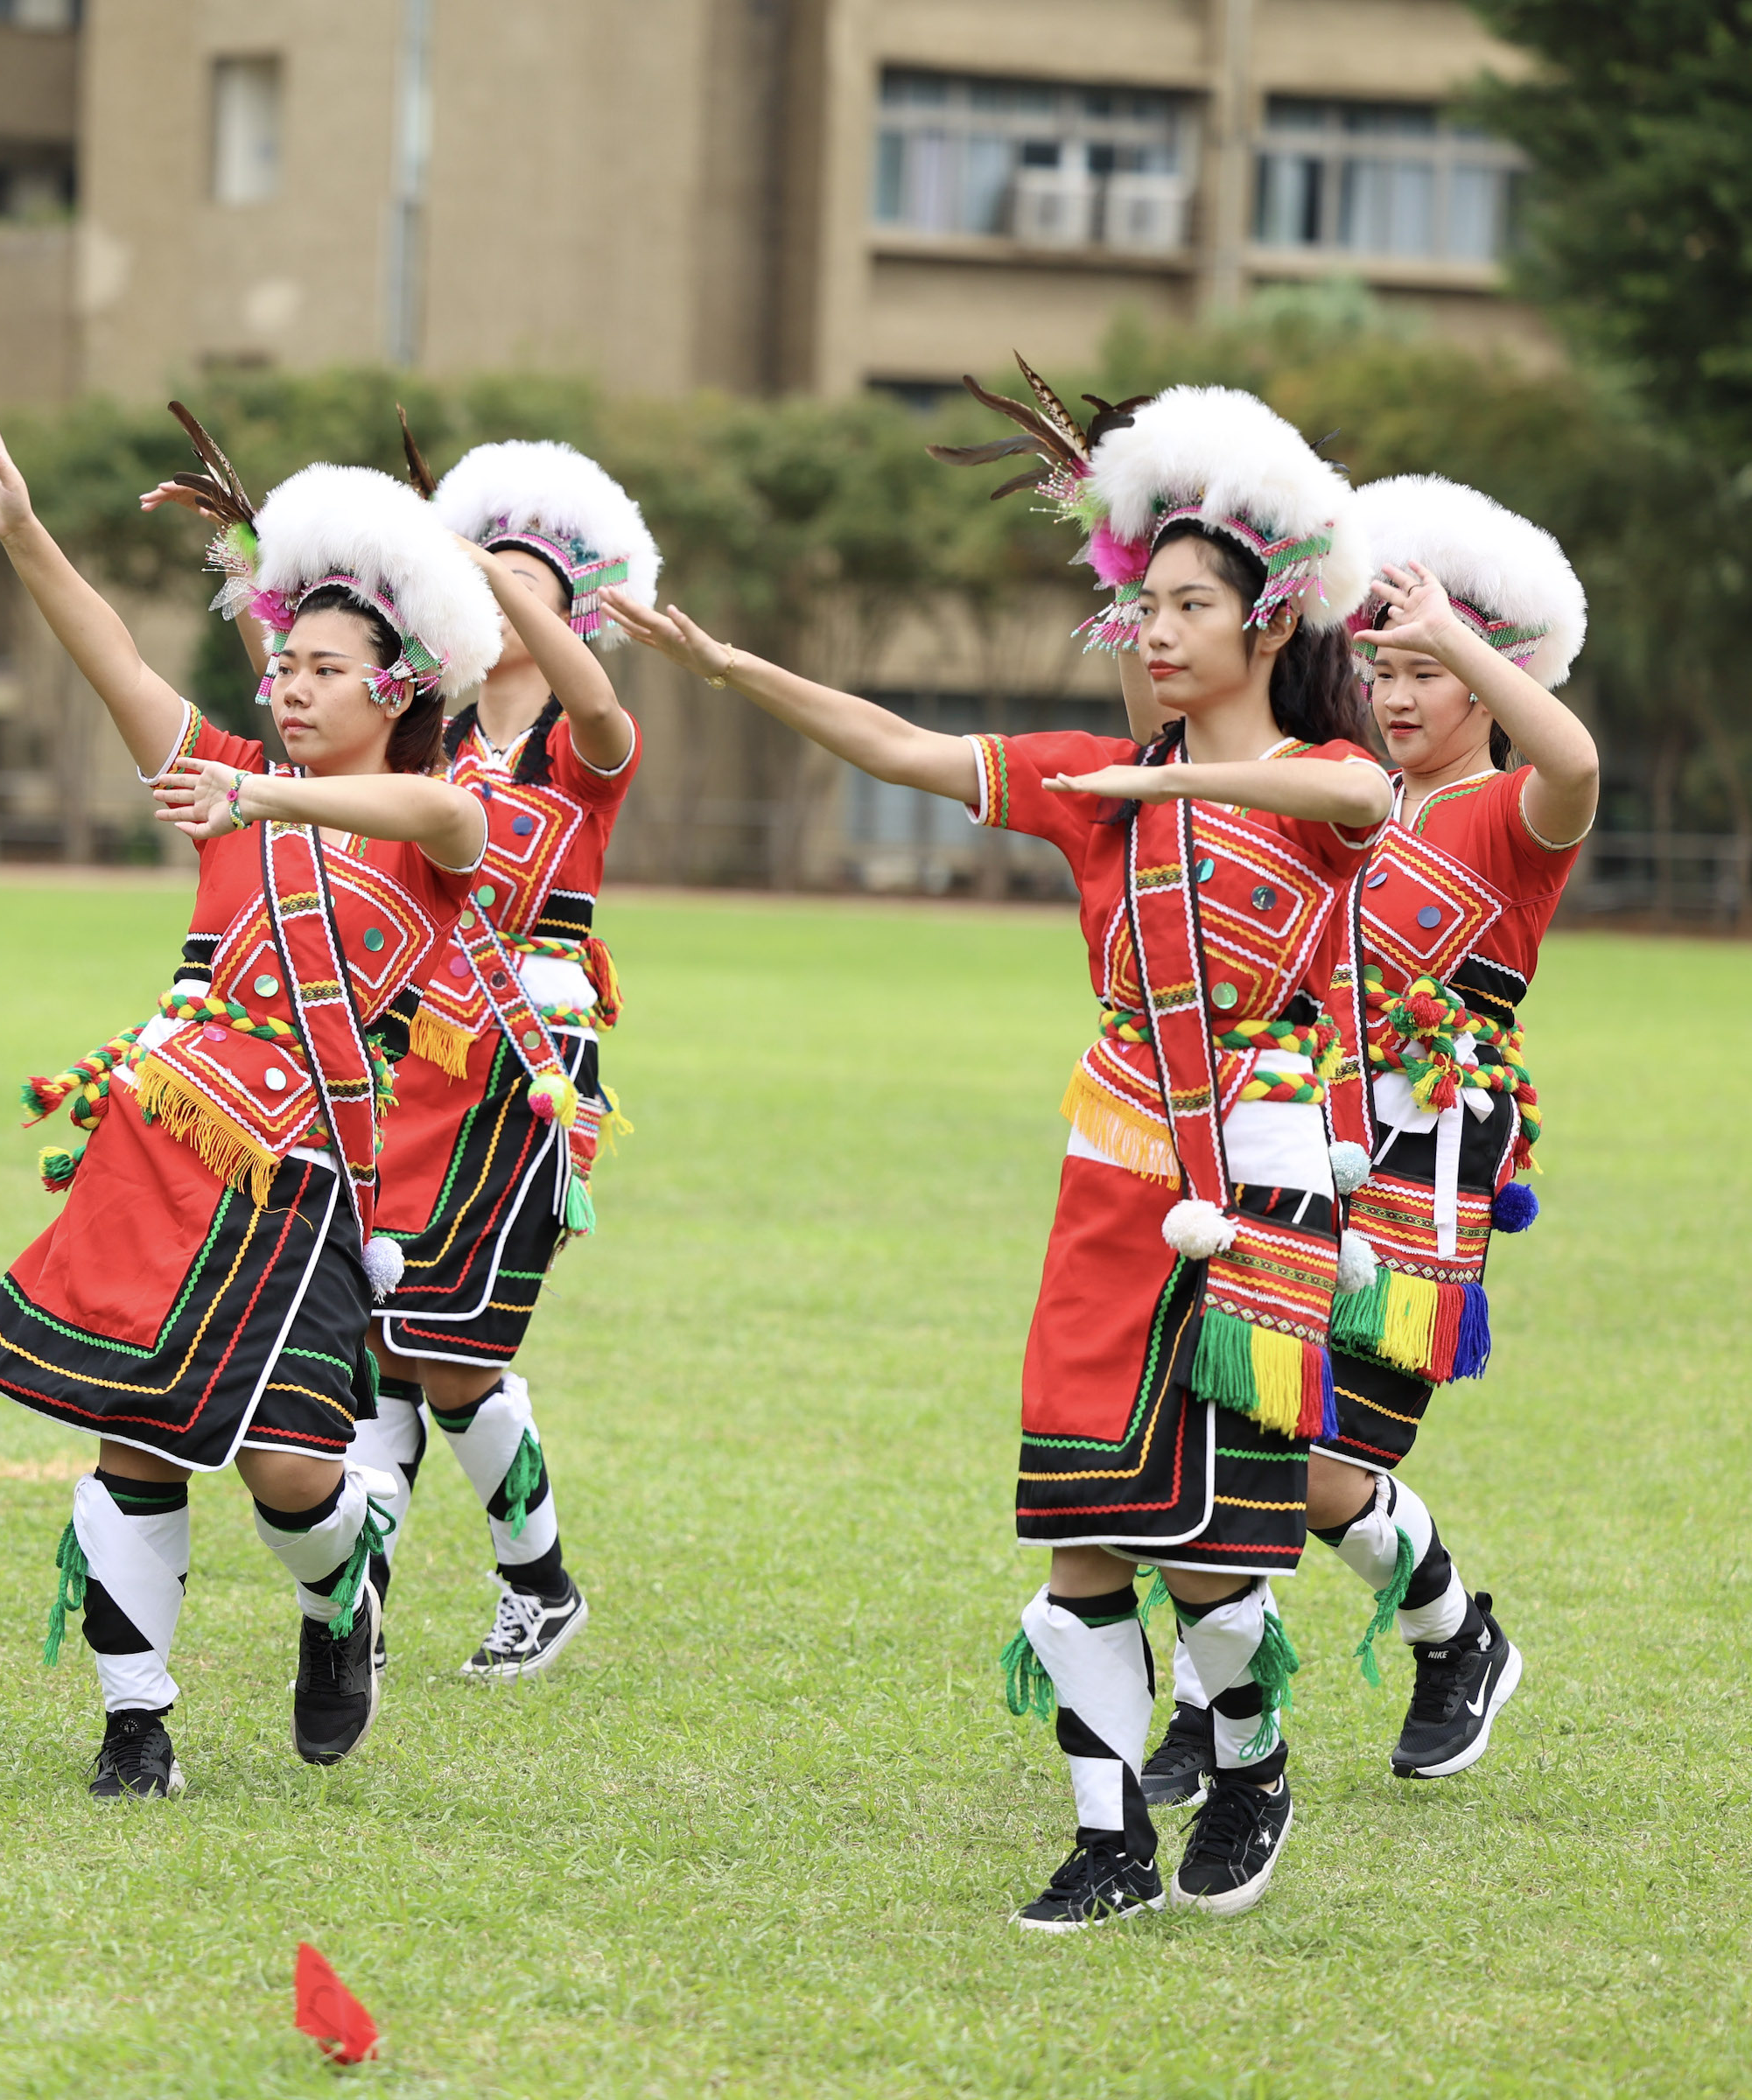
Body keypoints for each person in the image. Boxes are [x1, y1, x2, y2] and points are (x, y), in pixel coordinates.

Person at [614, 380, 1388, 1928]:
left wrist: (1163, 778)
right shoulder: (1100, 793)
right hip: (1115, 1172)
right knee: (1085, 1517)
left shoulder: (1292, 785)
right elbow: (901, 747)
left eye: (1191, 607)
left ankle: (1253, 1762)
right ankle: (1106, 1843)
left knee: (1217, 1552)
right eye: (1143, 606)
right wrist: (735, 668)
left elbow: (1358, 788)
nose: (1155, 633)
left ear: (1267, 624)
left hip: (1263, 1179)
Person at [0, 401, 498, 1797]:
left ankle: (341, 1588)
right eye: (285, 666)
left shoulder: (430, 810)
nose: (290, 689)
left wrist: (273, 808)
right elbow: (111, 653)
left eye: (325, 670)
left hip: (302, 1180)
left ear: (398, 689)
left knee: (293, 1476)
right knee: (132, 1430)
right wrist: (19, 532)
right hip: (163, 1143)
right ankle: (137, 1724)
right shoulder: (231, 780)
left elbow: (447, 825)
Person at [1147, 476, 1589, 1802]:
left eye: (1425, 673)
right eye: (1380, 667)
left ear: (1482, 678)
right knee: (1234, 1429)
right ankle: (1210, 1712)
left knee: (1332, 1466)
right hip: (1290, 1139)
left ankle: (1454, 1631)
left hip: (1421, 1174)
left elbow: (1575, 762)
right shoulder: (1343, 796)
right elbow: (1172, 758)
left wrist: (1451, 625)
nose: (1396, 696)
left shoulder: (1516, 822)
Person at [348, 439, 660, 1681]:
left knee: (458, 1347)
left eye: (525, 584)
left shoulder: (585, 754)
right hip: (413, 1058)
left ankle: (537, 1583)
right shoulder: (429, 744)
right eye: (478, 583)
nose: (494, 598)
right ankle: (360, 1576)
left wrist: (488, 560)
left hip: (525, 1071)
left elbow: (596, 702)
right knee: (382, 1333)